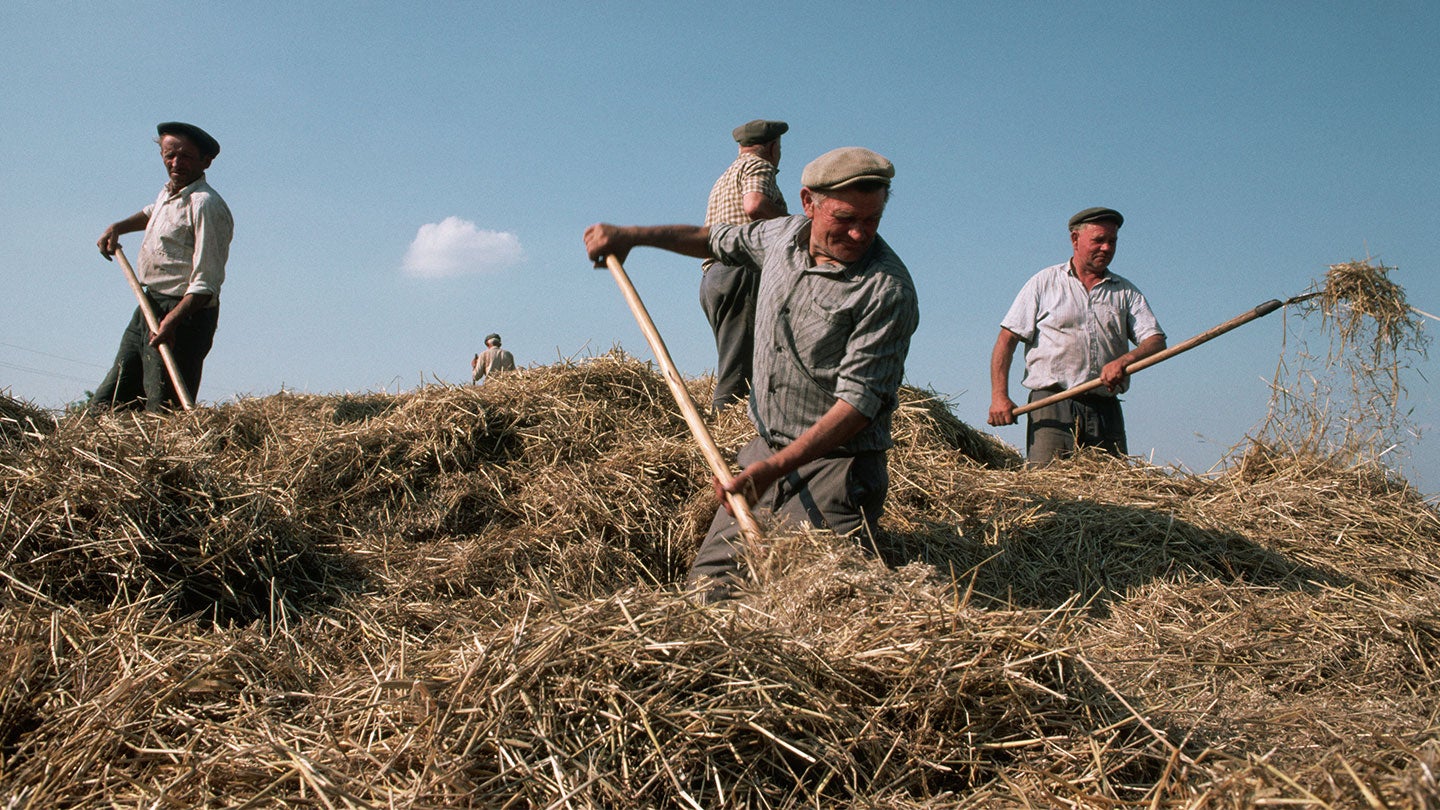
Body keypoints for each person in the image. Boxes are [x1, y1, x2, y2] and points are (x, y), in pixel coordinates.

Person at [584, 147, 919, 601]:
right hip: (765, 451)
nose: (860, 233)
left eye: (872, 220)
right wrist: (631, 236)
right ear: (808, 203)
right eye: (845, 218)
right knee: (708, 593)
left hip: (838, 467)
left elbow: (859, 405)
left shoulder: (885, 290)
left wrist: (774, 469)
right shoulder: (779, 236)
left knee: (817, 603)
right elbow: (711, 239)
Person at [988, 207, 1166, 466]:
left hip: (1104, 409)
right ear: (1075, 240)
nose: (1106, 248)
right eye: (1098, 240)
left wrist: (1124, 361)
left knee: (1114, 494)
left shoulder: (1125, 292)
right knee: (1049, 490)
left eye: (1112, 241)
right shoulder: (1044, 283)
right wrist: (999, 397)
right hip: (1052, 405)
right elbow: (1006, 341)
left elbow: (1155, 341)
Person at [93, 121, 233, 412]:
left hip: (184, 314)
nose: (175, 163)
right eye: (169, 155)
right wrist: (119, 226)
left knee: (162, 407)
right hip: (149, 303)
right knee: (114, 394)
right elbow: (151, 212)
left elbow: (206, 282)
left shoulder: (206, 205)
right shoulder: (169, 194)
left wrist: (173, 321)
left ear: (205, 161)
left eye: (185, 157)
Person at [700, 118, 790, 412]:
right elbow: (754, 205)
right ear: (772, 147)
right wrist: (790, 225)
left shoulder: (724, 177)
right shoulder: (758, 166)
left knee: (734, 355)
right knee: (739, 366)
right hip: (742, 272)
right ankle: (724, 429)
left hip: (713, 277)